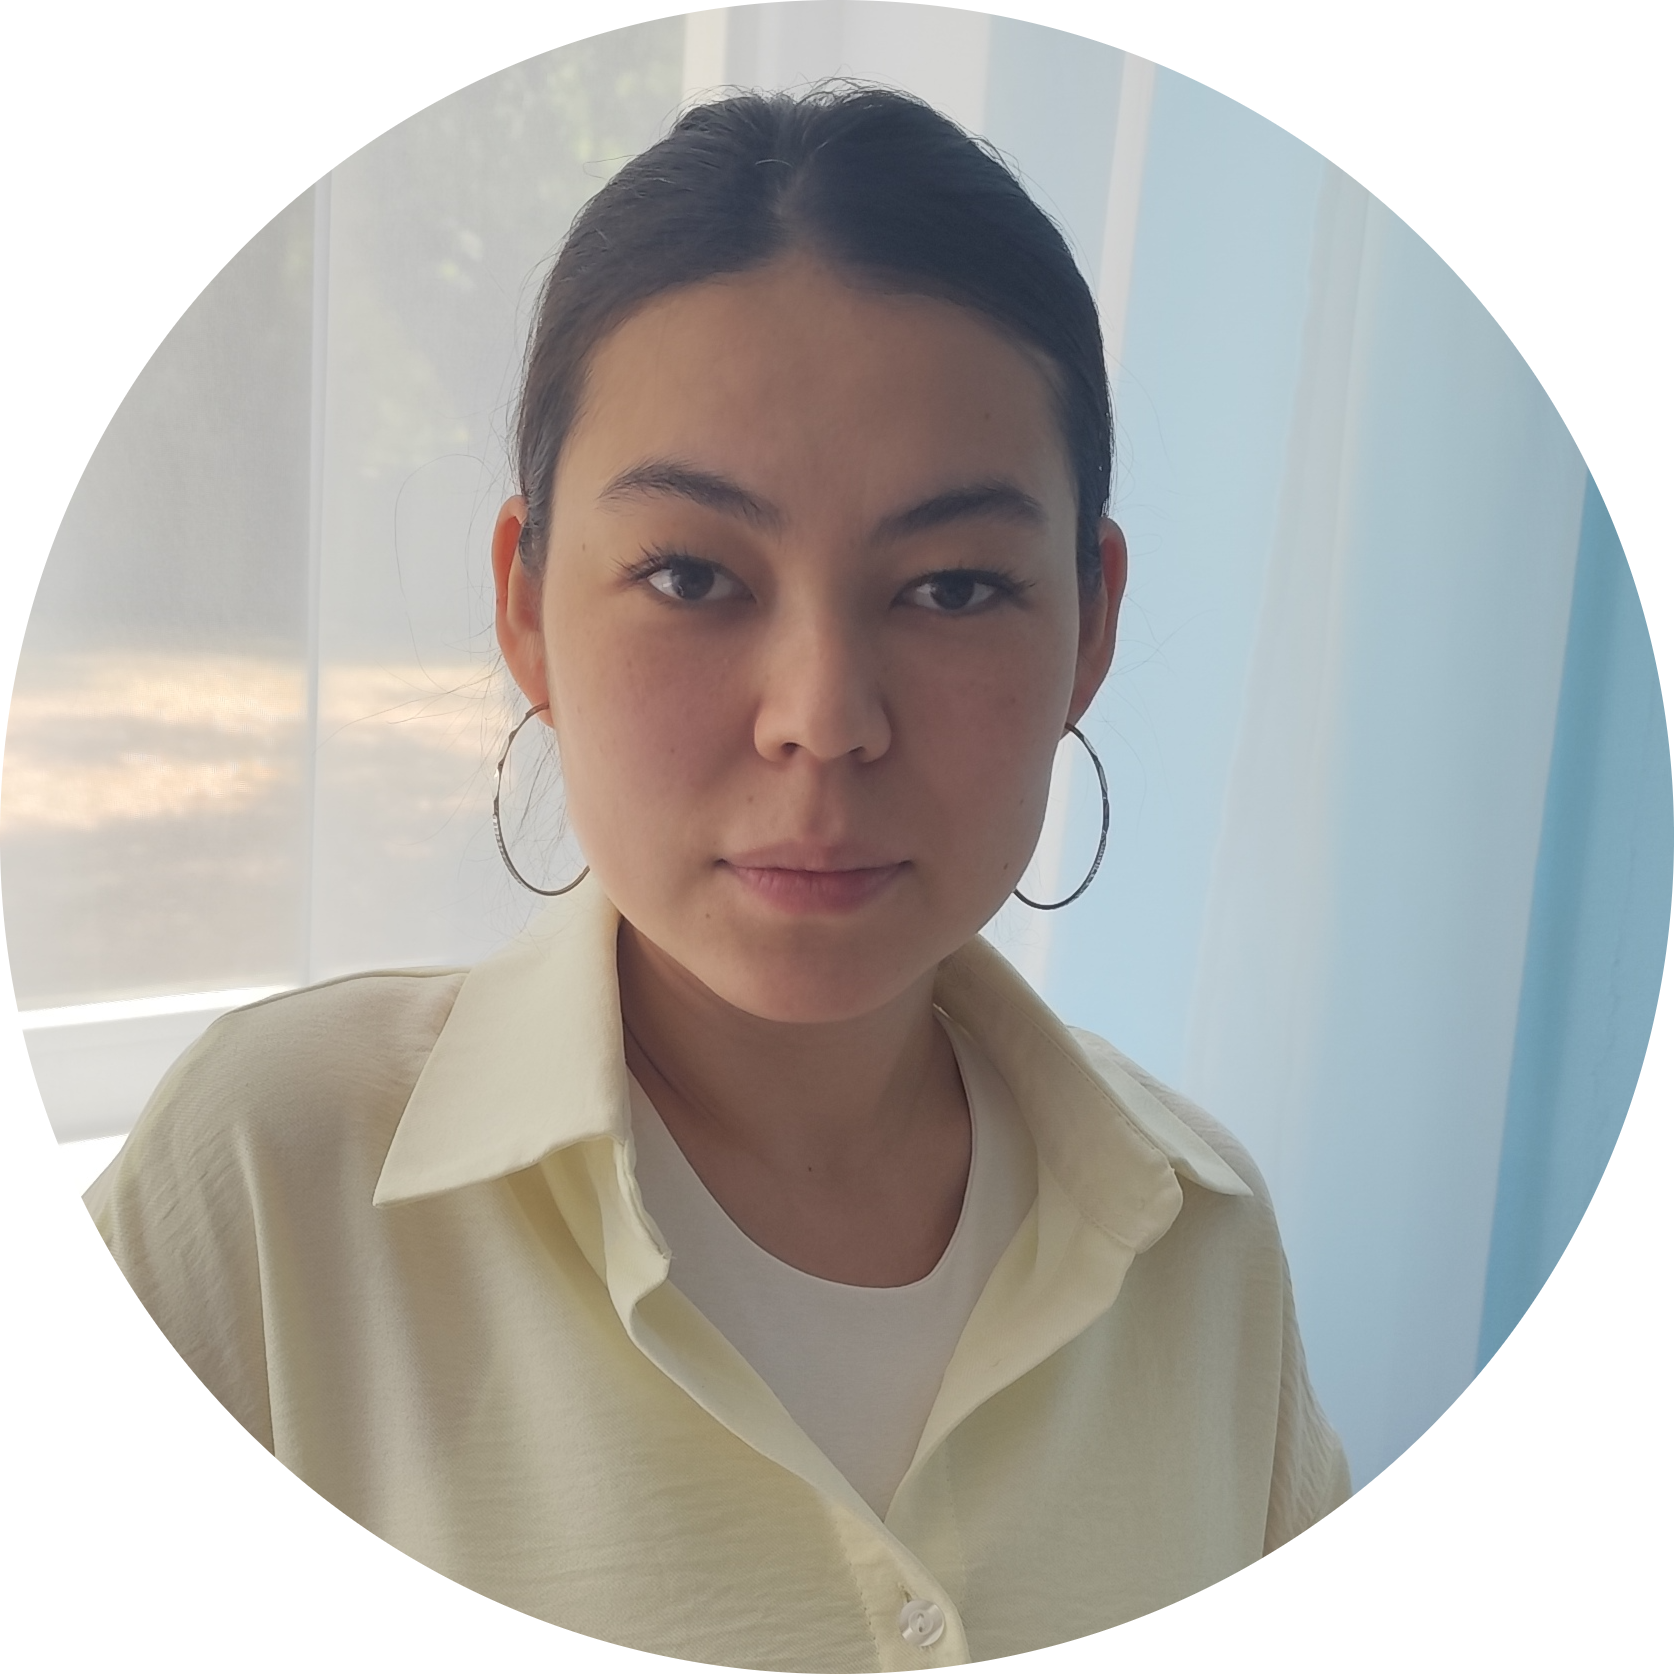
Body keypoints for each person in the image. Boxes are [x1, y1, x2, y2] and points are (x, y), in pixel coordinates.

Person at [85, 86, 1351, 1663]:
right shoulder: (273, 1186)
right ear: (526, 602)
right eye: (691, 574)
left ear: (1089, 623)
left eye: (954, 586)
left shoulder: (1200, 1241)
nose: (821, 716)